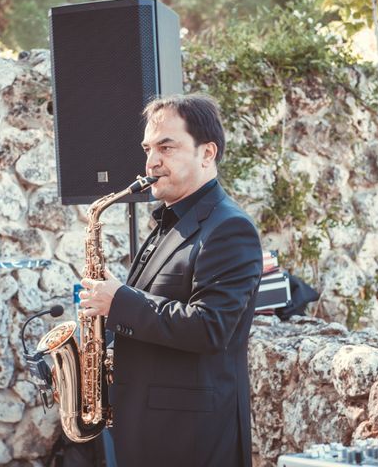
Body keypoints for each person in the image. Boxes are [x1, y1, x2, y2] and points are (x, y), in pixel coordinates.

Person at [79, 93, 263, 467]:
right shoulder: (171, 221)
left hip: (191, 441)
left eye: (166, 146)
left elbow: (212, 327)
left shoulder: (229, 228)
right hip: (149, 431)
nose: (151, 161)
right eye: (148, 148)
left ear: (206, 153)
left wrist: (121, 302)